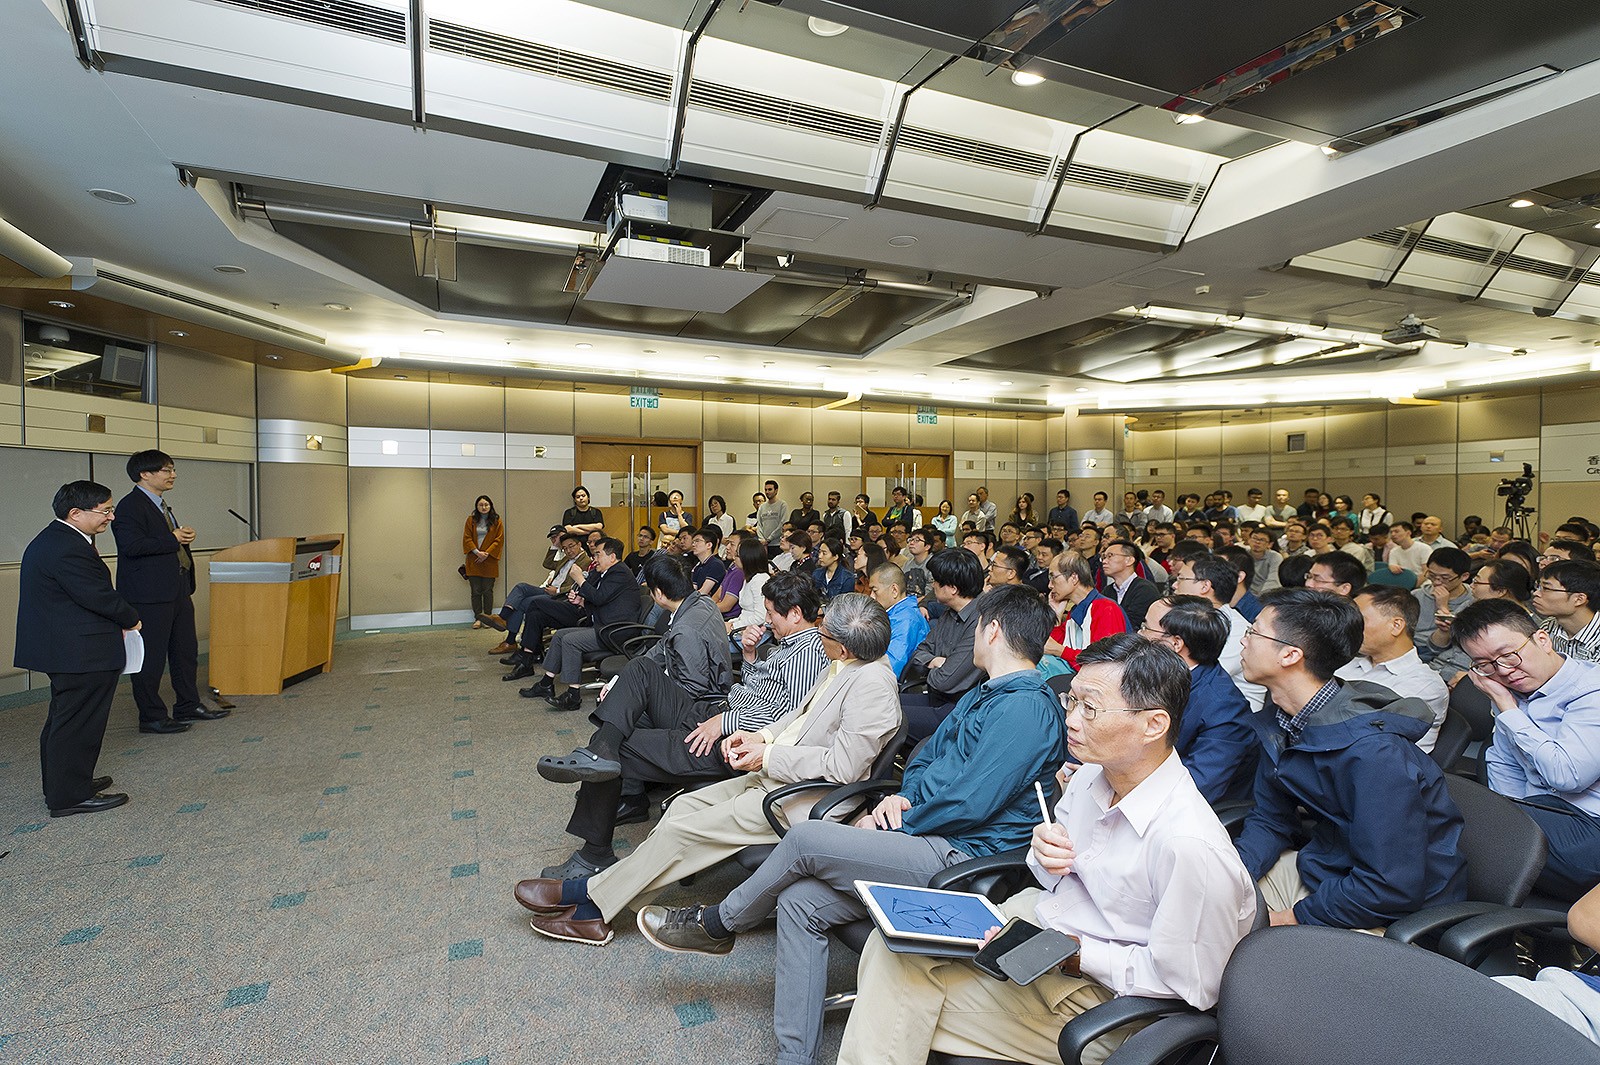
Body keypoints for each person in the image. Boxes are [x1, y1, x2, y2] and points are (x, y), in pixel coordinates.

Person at [634, 586, 1066, 1065]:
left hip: (959, 855)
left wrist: (899, 822)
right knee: (800, 901)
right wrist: (900, 797)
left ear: (993, 629)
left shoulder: (1025, 707)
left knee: (805, 839)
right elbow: (926, 760)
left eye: (979, 625)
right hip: (927, 831)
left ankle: (718, 923)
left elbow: (971, 802)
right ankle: (795, 1056)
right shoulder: (985, 693)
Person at [829, 634, 1255, 1065]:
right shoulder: (1090, 778)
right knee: (891, 945)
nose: (1072, 720)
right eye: (1073, 701)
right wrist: (1043, 854)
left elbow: (1193, 985)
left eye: (1090, 709)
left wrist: (1073, 953)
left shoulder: (1189, 846)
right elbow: (1056, 874)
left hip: (1101, 999)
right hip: (1036, 933)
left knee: (895, 1001)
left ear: (1153, 725)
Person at [517, 592, 901, 946]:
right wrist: (759, 738)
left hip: (801, 797)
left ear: (844, 646)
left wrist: (766, 755)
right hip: (775, 774)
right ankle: (606, 894)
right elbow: (798, 718)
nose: (818, 633)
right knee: (681, 810)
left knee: (683, 830)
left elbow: (843, 768)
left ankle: (591, 903)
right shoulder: (844, 664)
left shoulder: (873, 687)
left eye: (824, 632)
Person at [1233, 588, 1467, 930]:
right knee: (1206, 901)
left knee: (1239, 936)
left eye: (1253, 631)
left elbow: (1390, 886)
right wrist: (1235, 873)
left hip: (1392, 908)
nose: (1243, 641)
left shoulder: (1374, 752)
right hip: (1328, 869)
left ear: (1290, 655)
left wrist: (1288, 919)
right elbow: (1271, 819)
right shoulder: (1284, 720)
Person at [529, 553, 739, 879]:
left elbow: (693, 688)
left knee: (623, 716)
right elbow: (662, 648)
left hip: (701, 712)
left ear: (657, 593)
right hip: (708, 703)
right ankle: (615, 776)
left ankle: (614, 787)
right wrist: (622, 681)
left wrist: (641, 688)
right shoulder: (700, 604)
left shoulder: (687, 630)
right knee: (622, 712)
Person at [1456, 598, 1600, 901]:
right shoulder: (1515, 693)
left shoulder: (1592, 689)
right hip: (1546, 815)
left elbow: (1568, 776)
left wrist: (1507, 708)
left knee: (1452, 818)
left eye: (1509, 655)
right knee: (1445, 807)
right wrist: (1508, 817)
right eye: (1485, 665)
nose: (1503, 671)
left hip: (1591, 828)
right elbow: (1504, 764)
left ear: (1542, 640)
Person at [16, 481, 143, 816]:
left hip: (68, 648)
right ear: (75, 513)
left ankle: (67, 783)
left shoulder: (58, 539)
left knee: (66, 719)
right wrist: (131, 618)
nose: (112, 517)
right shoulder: (66, 547)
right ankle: (69, 797)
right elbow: (96, 595)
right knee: (77, 723)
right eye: (105, 511)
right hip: (79, 651)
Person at [112, 450, 226, 734]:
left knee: (185, 652)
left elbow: (163, 543)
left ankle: (188, 704)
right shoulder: (129, 506)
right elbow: (132, 547)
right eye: (166, 470)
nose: (173, 475)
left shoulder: (161, 505)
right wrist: (172, 538)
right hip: (148, 595)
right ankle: (151, 716)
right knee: (151, 659)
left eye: (173, 469)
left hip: (177, 589)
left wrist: (182, 538)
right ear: (144, 474)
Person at [1138, 599, 1259, 804]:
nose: (1139, 635)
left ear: (1175, 644)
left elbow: (1197, 786)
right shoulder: (1158, 675)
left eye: (1145, 628)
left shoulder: (1225, 709)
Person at [518, 537, 641, 711]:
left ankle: (573, 696)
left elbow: (599, 597)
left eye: (598, 554)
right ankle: (546, 683)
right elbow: (603, 602)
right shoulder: (608, 573)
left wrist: (580, 579)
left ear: (612, 557)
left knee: (570, 641)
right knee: (560, 635)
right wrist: (582, 602)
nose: (594, 559)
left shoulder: (619, 572)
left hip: (615, 632)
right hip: (604, 626)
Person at [1335, 586, 1450, 753]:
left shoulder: (1424, 685)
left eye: (1359, 620)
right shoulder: (1347, 663)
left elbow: (1357, 733)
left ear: (1396, 625)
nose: (1349, 627)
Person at [901, 548, 986, 740]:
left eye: (936, 581)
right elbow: (919, 652)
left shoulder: (980, 621)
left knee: (882, 716)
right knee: (877, 703)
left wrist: (933, 668)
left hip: (959, 711)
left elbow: (944, 681)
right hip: (936, 697)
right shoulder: (950, 612)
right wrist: (935, 662)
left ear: (952, 589)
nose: (932, 586)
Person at [1172, 554, 1266, 713]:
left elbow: (1194, 678)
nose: (1175, 585)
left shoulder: (1238, 631)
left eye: (1181, 579)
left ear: (1205, 586)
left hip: (1230, 718)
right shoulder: (1193, 621)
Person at [1045, 551, 1128, 669]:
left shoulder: (1105, 608)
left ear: (1074, 578)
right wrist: (1056, 615)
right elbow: (1052, 645)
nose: (1050, 585)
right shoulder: (1076, 609)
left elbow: (1103, 662)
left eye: (1053, 577)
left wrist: (1060, 651)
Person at [867, 564, 930, 678]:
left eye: (875, 591)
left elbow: (892, 666)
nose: (871, 596)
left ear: (894, 590)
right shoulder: (896, 613)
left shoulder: (907, 620)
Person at [1536, 561, 1600, 663]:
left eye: (1546, 588)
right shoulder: (1548, 626)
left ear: (1579, 599)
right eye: (1538, 587)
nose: (1536, 593)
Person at [463, 495, 504, 628]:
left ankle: (487, 618)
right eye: (481, 505)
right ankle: (478, 618)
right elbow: (467, 538)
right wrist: (477, 552)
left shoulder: (497, 521)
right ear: (477, 506)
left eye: (486, 504)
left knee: (487, 590)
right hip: (474, 560)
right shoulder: (471, 520)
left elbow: (499, 539)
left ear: (490, 506)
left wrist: (486, 553)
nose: (484, 507)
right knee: (475, 591)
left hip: (489, 560)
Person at [1099, 540, 1159, 628]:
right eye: (1103, 557)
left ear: (1129, 560)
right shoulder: (1108, 590)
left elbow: (1132, 625)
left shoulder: (1145, 590)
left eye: (1110, 556)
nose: (1104, 561)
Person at [811, 537, 855, 602]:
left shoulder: (847, 578)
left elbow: (845, 604)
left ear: (835, 557)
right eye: (819, 552)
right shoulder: (817, 573)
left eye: (824, 553)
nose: (820, 556)